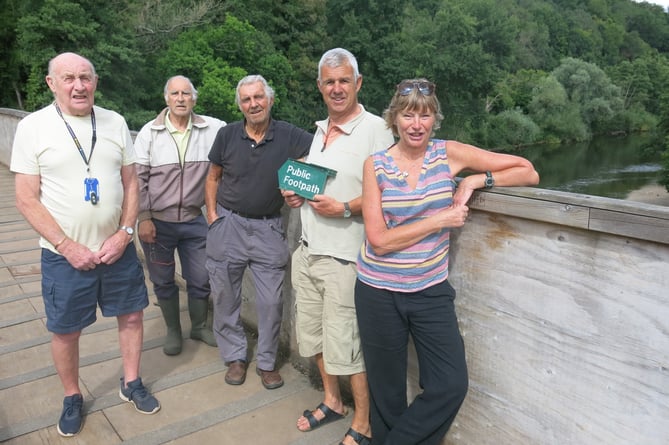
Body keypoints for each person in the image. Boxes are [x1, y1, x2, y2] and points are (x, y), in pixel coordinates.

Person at [355, 78, 540, 445]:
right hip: (378, 291)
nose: (416, 124)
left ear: (434, 118)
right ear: (395, 119)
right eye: (408, 115)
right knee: (386, 393)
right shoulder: (375, 165)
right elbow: (379, 240)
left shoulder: (449, 153)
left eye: (425, 115)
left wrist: (475, 182)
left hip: (430, 291)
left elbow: (527, 171)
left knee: (451, 384)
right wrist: (442, 219)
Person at [10, 52, 160, 438]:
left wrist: (125, 232)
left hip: (118, 249)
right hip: (63, 254)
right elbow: (26, 197)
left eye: (85, 77)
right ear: (51, 83)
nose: (79, 85)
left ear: (95, 81)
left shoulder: (114, 121)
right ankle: (72, 395)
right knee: (66, 329)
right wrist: (66, 244)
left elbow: (130, 183)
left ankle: (131, 382)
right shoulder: (33, 127)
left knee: (131, 316)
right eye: (69, 78)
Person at [283, 48, 395, 445]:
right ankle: (332, 401)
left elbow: (391, 192)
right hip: (308, 249)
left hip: (347, 258)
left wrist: (345, 208)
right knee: (312, 336)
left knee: (347, 346)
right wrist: (297, 193)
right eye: (329, 82)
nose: (336, 88)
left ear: (358, 83)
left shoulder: (377, 130)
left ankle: (364, 423)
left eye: (344, 80)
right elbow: (320, 180)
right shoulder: (320, 129)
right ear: (320, 86)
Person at [205, 74, 313, 390]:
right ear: (240, 105)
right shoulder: (226, 135)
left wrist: (301, 180)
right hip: (229, 224)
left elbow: (321, 151)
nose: (253, 104)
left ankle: (266, 362)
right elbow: (212, 178)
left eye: (258, 97)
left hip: (268, 227)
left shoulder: (290, 135)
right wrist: (212, 216)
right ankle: (235, 356)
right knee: (224, 296)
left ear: (270, 99)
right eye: (247, 99)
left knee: (271, 302)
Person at [134, 75, 225, 356]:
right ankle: (174, 331)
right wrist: (144, 217)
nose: (181, 98)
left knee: (200, 277)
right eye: (175, 93)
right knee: (162, 278)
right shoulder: (149, 133)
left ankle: (198, 325)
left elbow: (235, 152)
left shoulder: (213, 128)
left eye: (186, 93)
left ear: (194, 98)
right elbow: (139, 180)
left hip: (195, 219)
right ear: (166, 98)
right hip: (158, 222)